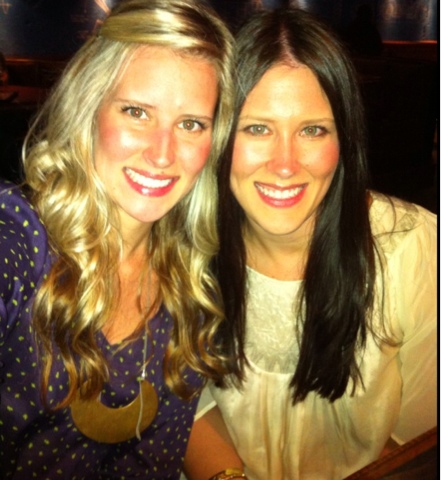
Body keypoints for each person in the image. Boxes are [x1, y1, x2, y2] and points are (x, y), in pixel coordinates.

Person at [183, 7, 437, 480]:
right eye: (257, 128)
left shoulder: (412, 248)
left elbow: (419, 445)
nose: (285, 164)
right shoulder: (186, 246)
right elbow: (190, 405)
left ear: (344, 139)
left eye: (313, 130)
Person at [0, 0, 235, 478]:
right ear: (89, 109)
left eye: (191, 124)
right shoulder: (21, 235)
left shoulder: (189, 281)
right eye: (137, 112)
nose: (162, 154)